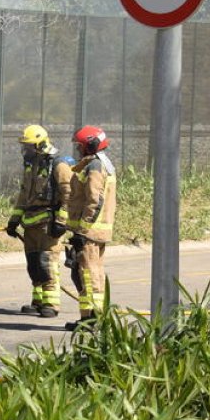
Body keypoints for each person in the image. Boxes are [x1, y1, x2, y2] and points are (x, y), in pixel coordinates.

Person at [5, 124, 74, 318]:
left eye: (29, 146)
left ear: (41, 145)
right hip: (30, 224)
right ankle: (38, 301)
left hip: (48, 225)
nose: (25, 150)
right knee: (34, 264)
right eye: (24, 146)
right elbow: (24, 195)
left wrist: (61, 221)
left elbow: (69, 195)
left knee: (47, 263)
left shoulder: (58, 165)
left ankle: (51, 304)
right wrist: (14, 219)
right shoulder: (30, 166)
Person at [65, 125, 117, 331]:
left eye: (80, 146)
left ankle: (93, 320)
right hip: (93, 231)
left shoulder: (95, 166)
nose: (78, 150)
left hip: (90, 232)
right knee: (87, 273)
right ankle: (88, 318)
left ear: (91, 145)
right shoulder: (99, 164)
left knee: (89, 274)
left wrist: (82, 231)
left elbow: (94, 200)